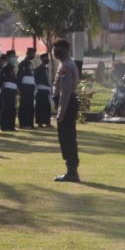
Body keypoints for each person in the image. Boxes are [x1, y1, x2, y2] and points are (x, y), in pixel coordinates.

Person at [52, 40, 81, 182]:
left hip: (67, 105)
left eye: (57, 48)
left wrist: (60, 112)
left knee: (67, 138)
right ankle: (71, 171)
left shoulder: (66, 66)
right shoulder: (66, 64)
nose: (55, 51)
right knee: (68, 138)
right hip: (68, 104)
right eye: (54, 48)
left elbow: (65, 92)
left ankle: (72, 172)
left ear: (65, 49)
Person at [0, 50, 18, 132]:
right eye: (12, 57)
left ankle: (11, 126)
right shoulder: (4, 68)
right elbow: (0, 80)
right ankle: (5, 126)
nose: (14, 58)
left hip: (13, 91)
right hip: (7, 91)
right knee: (6, 108)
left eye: (15, 57)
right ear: (8, 58)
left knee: (12, 108)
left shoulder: (13, 68)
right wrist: (3, 88)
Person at [17, 47, 37, 129]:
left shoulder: (30, 64)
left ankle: (30, 123)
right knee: (24, 106)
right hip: (24, 89)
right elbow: (19, 77)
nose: (33, 55)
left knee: (30, 106)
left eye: (34, 53)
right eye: (31, 53)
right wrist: (20, 88)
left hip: (30, 88)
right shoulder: (22, 64)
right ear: (27, 53)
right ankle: (23, 124)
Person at [34, 53, 53, 127]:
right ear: (42, 59)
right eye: (45, 58)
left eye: (47, 58)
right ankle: (40, 122)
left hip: (46, 90)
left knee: (47, 107)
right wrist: (45, 84)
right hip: (41, 90)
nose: (46, 59)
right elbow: (37, 80)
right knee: (40, 106)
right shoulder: (38, 69)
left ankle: (47, 122)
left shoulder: (47, 69)